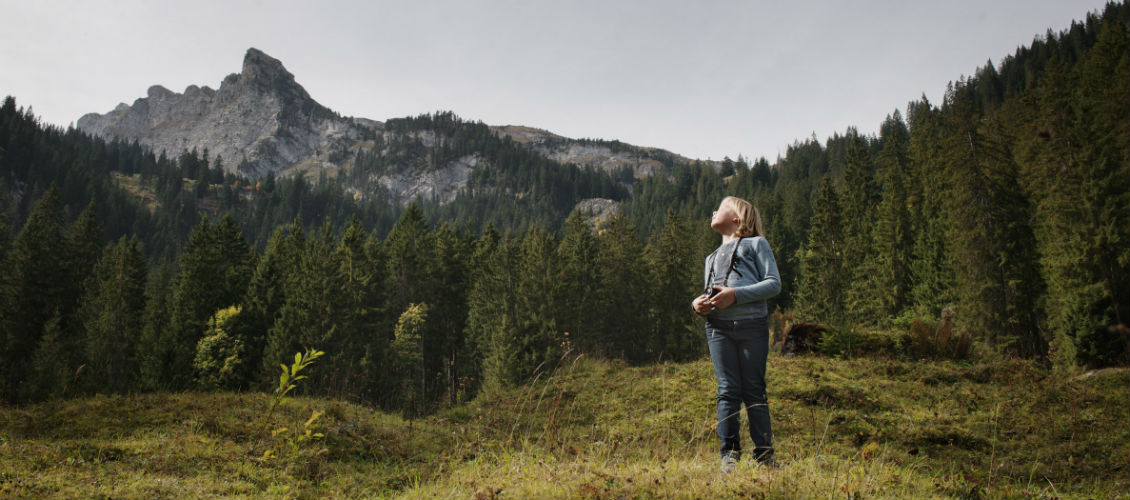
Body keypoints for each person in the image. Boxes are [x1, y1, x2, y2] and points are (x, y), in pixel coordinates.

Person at [692, 196, 781, 472]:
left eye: (719, 207)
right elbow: (711, 292)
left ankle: (764, 456)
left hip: (752, 325)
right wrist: (698, 304)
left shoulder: (757, 244)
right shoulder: (710, 257)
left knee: (754, 388)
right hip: (717, 328)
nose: (713, 210)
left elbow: (773, 284)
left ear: (737, 218)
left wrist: (736, 295)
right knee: (727, 390)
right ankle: (729, 456)